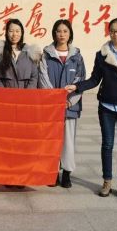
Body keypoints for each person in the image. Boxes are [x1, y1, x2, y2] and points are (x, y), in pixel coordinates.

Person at [70, 17, 117, 199]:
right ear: (109, 33)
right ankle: (107, 181)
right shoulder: (101, 55)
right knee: (107, 144)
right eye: (112, 31)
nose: (115, 34)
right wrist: (77, 86)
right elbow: (95, 79)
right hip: (107, 107)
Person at [0, 19, 42, 188]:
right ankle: (8, 175)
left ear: (22, 33)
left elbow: (34, 76)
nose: (14, 34)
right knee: (7, 140)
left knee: (22, 141)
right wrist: (4, 94)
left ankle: (21, 176)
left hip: (24, 104)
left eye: (17, 31)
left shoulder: (30, 53)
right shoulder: (0, 53)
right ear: (7, 33)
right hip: (5, 103)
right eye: (11, 31)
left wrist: (26, 97)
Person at [39, 20, 86, 188]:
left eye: (65, 31)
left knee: (68, 141)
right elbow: (43, 78)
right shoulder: (46, 55)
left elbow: (80, 81)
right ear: (54, 33)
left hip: (69, 107)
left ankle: (66, 173)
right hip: (51, 107)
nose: (62, 34)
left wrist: (69, 101)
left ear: (70, 33)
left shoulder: (77, 57)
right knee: (51, 140)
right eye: (58, 31)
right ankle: (52, 172)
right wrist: (54, 100)